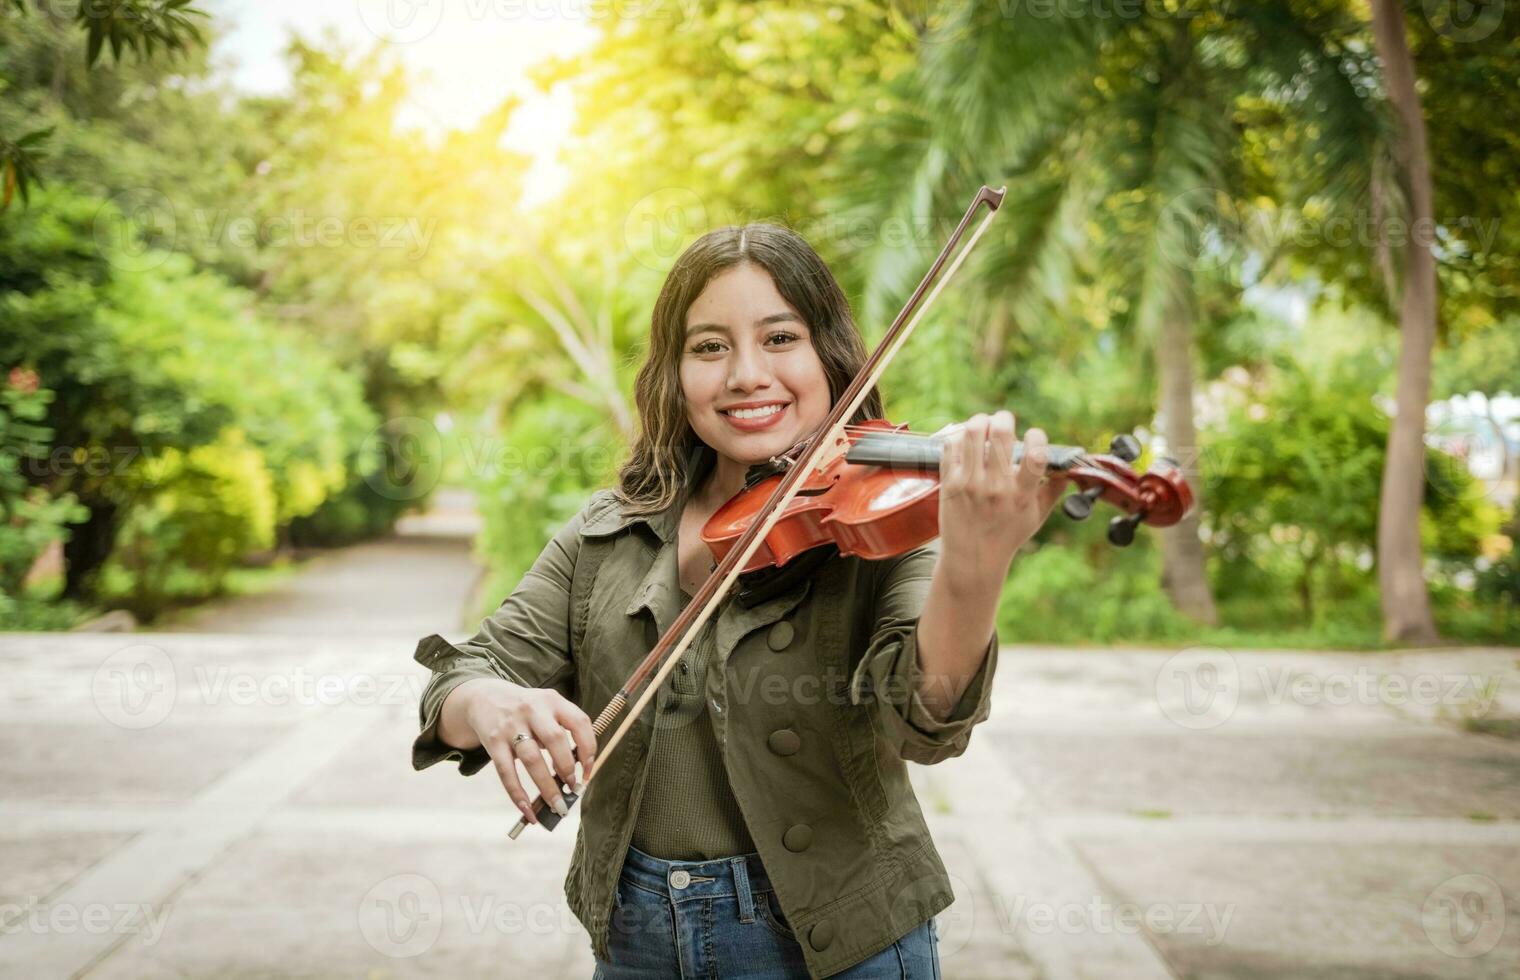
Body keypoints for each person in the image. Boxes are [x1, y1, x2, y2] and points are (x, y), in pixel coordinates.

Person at [410, 223, 1064, 979]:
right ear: (675, 373)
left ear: (830, 356)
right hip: (637, 947)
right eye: (710, 347)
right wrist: (489, 703)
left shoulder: (880, 522)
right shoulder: (607, 535)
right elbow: (461, 675)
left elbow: (928, 722)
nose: (747, 374)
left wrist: (977, 565)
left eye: (781, 338)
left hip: (842, 946)